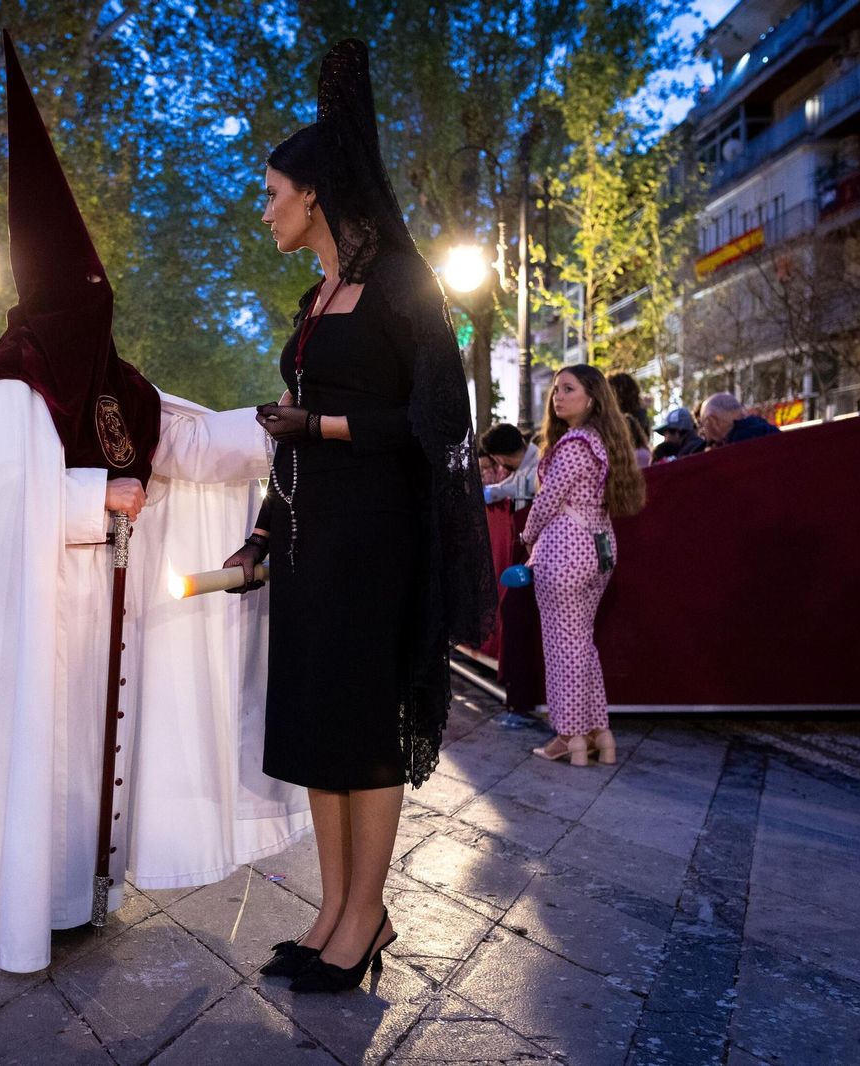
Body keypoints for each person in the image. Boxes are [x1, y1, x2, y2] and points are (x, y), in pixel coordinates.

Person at [0, 33, 309, 975]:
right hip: (31, 623)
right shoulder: (7, 382)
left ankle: (73, 895)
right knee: (37, 757)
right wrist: (94, 496)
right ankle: (14, 904)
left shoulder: (116, 383)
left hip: (99, 615)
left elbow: (190, 444)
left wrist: (287, 421)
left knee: (84, 766)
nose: (95, 312)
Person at [223, 39, 495, 995]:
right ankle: (335, 912)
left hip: (373, 542)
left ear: (315, 196)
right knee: (318, 730)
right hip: (306, 540)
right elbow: (286, 438)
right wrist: (263, 529)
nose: (264, 211)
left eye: (270, 194)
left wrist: (322, 422)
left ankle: (367, 916)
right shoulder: (313, 298)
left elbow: (436, 420)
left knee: (366, 732)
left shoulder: (402, 292)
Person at [521, 364, 646, 767]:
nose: (557, 396)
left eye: (567, 389)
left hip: (564, 552)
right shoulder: (602, 441)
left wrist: (526, 538)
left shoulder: (573, 445)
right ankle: (599, 733)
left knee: (562, 649)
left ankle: (568, 737)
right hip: (600, 548)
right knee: (582, 644)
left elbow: (546, 501)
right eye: (556, 389)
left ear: (590, 398)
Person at [479, 423, 540, 510]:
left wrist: (484, 494)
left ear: (499, 458)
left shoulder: (539, 464)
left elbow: (519, 488)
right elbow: (506, 485)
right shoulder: (524, 465)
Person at [699, 392, 780, 446]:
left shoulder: (738, 443)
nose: (703, 431)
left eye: (703, 424)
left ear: (713, 421)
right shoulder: (764, 428)